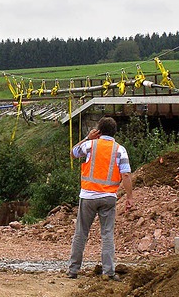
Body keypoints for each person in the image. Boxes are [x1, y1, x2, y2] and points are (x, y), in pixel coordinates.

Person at [67, 116, 133, 281]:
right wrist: (129, 197)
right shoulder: (120, 150)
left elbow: (73, 153)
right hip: (109, 197)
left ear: (99, 131)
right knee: (107, 234)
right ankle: (109, 272)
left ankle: (73, 270)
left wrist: (87, 138)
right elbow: (125, 174)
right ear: (114, 132)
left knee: (81, 233)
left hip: (88, 196)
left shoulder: (89, 145)